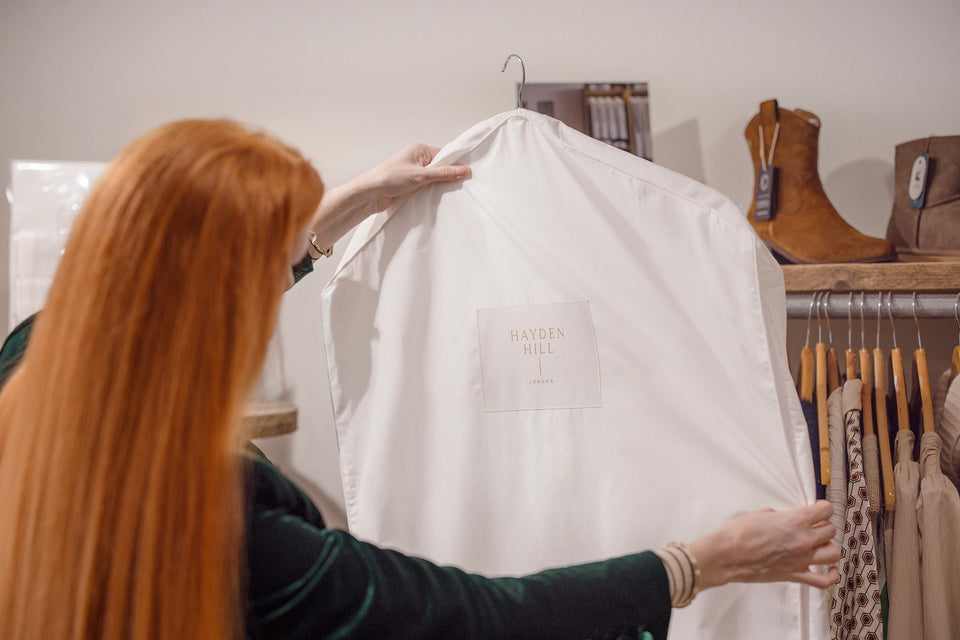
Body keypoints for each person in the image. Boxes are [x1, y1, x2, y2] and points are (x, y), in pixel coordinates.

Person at [0, 119, 841, 640]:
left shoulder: (32, 371)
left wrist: (348, 205)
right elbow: (469, 618)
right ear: (228, 291)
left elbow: (174, 288)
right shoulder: (225, 518)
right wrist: (702, 562)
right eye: (269, 269)